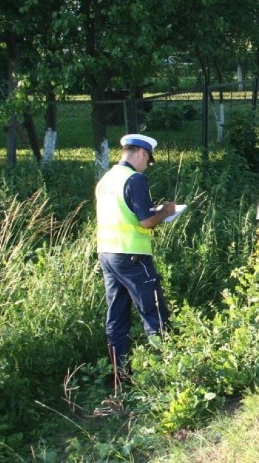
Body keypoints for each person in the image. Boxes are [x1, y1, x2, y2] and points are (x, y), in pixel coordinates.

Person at [96, 133, 177, 384]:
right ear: (141, 153)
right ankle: (167, 374)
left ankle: (119, 375)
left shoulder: (106, 180)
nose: (147, 165)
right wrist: (167, 211)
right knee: (153, 312)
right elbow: (146, 220)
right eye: (148, 160)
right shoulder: (135, 179)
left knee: (117, 315)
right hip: (133, 255)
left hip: (108, 254)